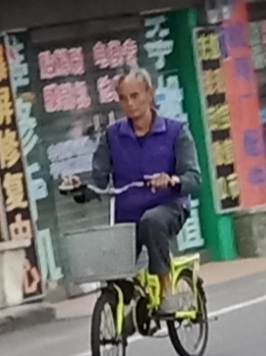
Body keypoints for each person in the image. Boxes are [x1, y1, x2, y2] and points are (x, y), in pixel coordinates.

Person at [64, 68, 200, 301]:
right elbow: (99, 181)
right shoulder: (112, 135)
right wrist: (78, 188)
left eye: (135, 96)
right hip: (127, 215)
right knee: (115, 271)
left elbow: (194, 178)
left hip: (168, 207)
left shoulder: (176, 132)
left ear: (149, 93)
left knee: (152, 221)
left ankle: (166, 289)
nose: (130, 103)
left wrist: (172, 180)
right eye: (123, 98)